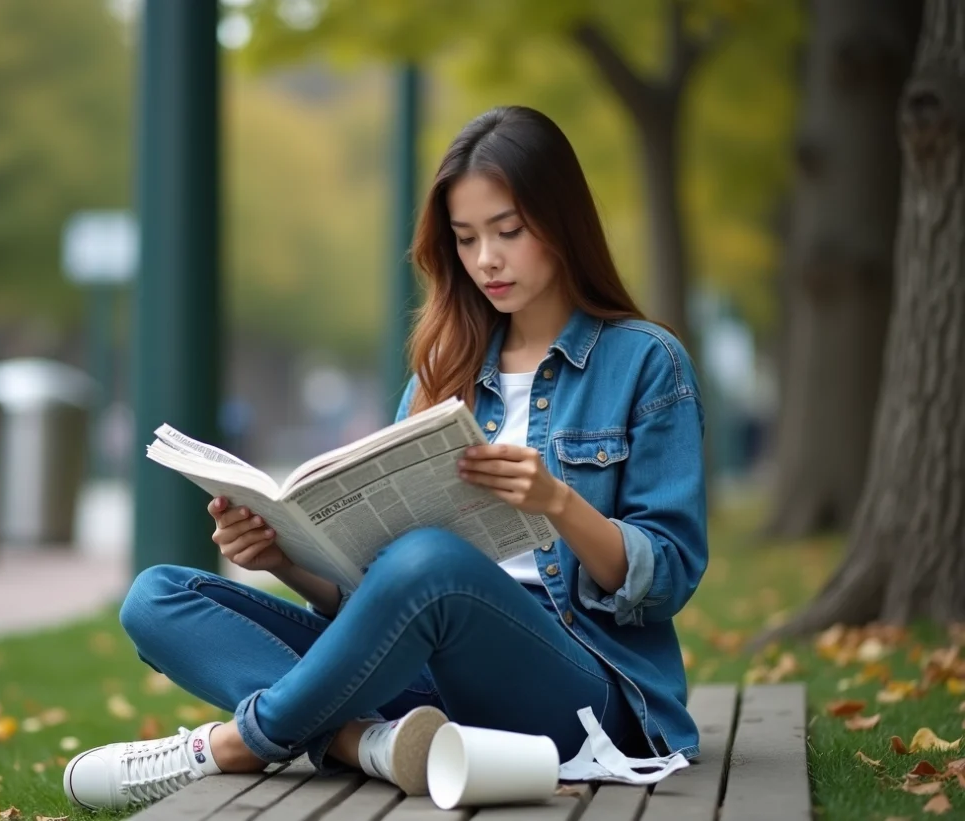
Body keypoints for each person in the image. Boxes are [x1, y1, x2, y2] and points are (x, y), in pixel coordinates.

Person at [63, 105, 708, 812]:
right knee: (158, 596)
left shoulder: (646, 363)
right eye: (466, 239)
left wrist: (559, 502)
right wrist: (282, 557)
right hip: (430, 674)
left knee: (431, 559)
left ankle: (239, 743)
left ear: (562, 222)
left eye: (508, 231)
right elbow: (380, 592)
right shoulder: (444, 368)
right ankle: (369, 742)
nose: (486, 259)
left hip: (579, 691)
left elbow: (668, 575)